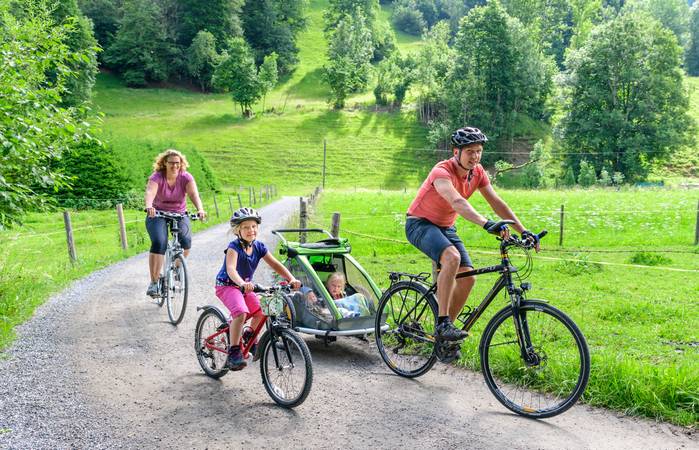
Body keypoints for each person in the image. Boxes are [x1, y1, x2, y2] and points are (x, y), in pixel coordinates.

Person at [405, 126, 540, 347]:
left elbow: (496, 202)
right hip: (419, 224)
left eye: (478, 151)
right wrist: (486, 224)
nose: (475, 156)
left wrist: (523, 231)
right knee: (452, 258)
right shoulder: (442, 171)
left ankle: (445, 338)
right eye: (470, 151)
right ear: (456, 151)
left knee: (468, 278)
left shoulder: (477, 172)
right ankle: (442, 323)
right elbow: (457, 202)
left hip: (445, 227)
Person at [215, 207, 301, 370]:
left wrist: (291, 278)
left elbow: (275, 264)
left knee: (263, 311)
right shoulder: (234, 247)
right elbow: (231, 269)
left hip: (246, 287)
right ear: (237, 230)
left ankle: (248, 336)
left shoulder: (259, 247)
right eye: (246, 227)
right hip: (227, 285)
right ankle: (234, 352)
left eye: (254, 226)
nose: (251, 230)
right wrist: (241, 283)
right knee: (241, 312)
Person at [144, 149, 207, 297]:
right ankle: (154, 282)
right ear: (164, 163)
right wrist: (149, 206)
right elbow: (150, 192)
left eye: (177, 163)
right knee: (159, 242)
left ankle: (178, 266)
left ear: (181, 164)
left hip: (179, 213)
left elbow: (193, 194)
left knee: (186, 241)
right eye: (171, 163)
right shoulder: (157, 177)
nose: (174, 166)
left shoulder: (185, 177)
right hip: (158, 213)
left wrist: (200, 209)